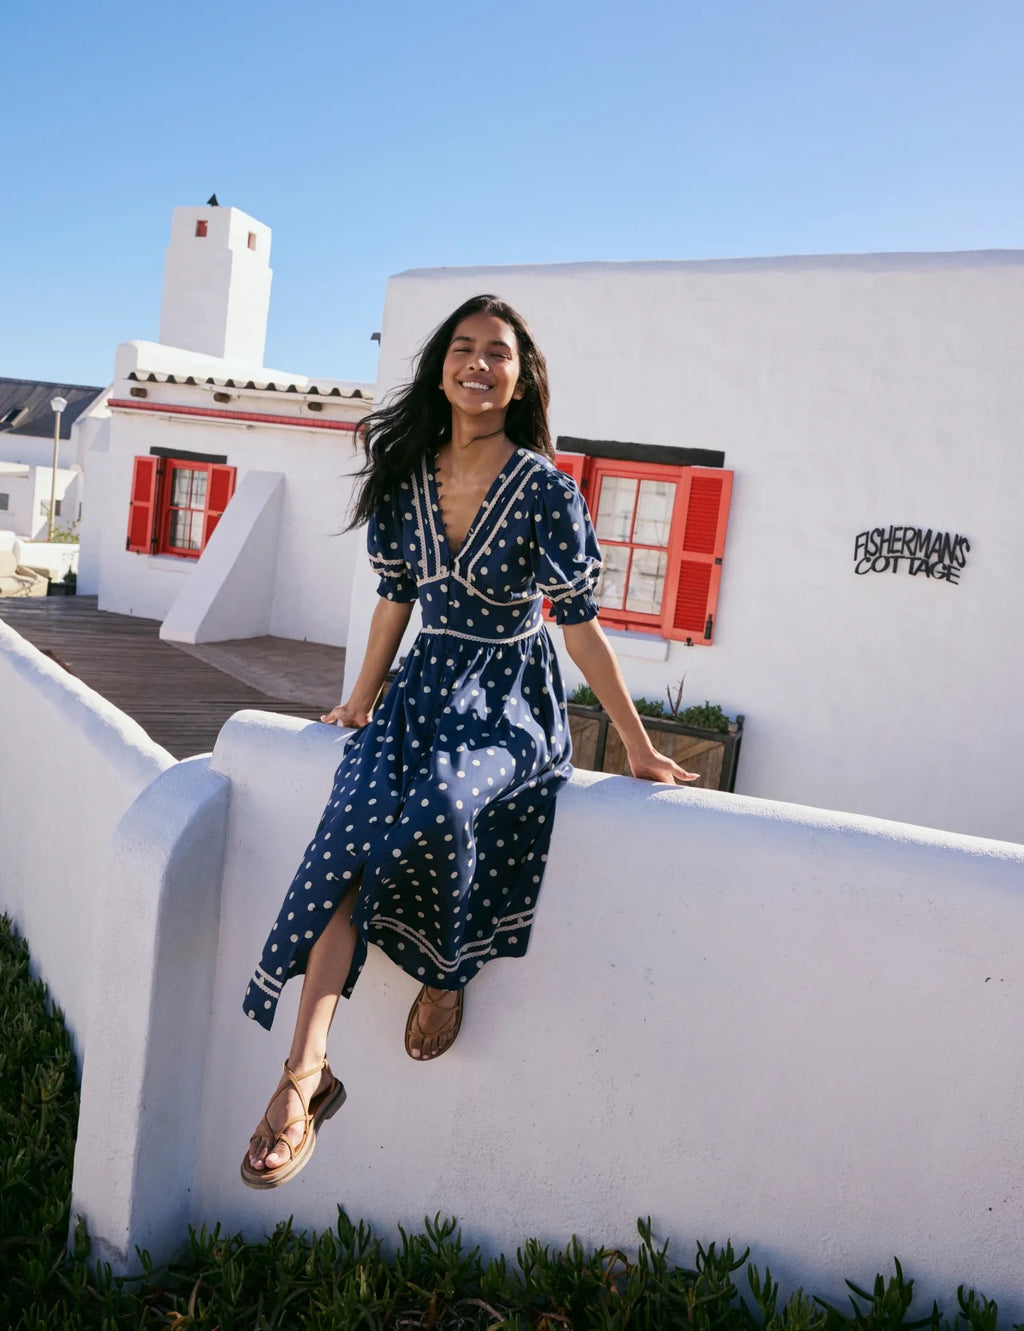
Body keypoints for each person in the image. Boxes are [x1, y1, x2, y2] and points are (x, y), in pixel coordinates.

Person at [241, 294, 697, 1189]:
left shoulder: (543, 489)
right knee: (343, 845)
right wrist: (359, 697)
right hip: (419, 691)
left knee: (444, 810)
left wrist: (635, 746)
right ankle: (303, 1076)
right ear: (440, 366)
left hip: (508, 700)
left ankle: (447, 972)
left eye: (498, 352)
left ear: (521, 378)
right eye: (463, 347)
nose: (478, 363)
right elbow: (395, 602)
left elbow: (579, 627)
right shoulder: (408, 474)